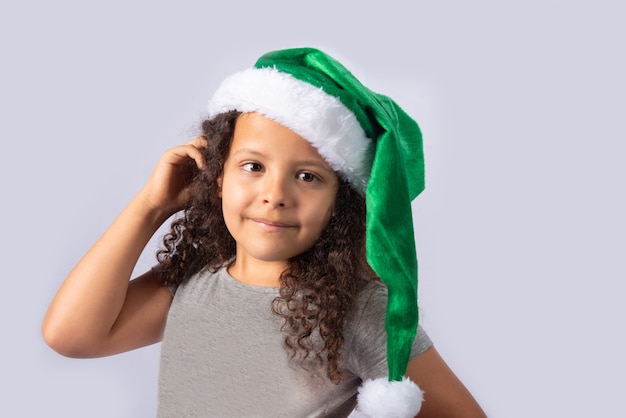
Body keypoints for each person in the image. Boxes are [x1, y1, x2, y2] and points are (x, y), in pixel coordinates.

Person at [42, 48, 486, 417]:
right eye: (253, 166)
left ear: (341, 202)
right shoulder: (196, 279)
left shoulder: (357, 310)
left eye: (309, 177)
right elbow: (71, 335)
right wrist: (150, 206)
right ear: (217, 175)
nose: (275, 194)